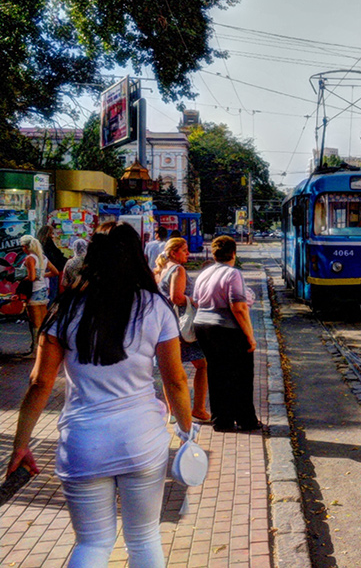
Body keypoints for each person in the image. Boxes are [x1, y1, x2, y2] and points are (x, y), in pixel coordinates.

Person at [7, 223, 193, 568]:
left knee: (93, 543)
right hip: (141, 441)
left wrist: (21, 443)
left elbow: (39, 383)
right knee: (144, 538)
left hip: (83, 444)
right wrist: (186, 430)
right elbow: (176, 380)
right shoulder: (154, 307)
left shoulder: (64, 310)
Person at [192, 235, 261, 433]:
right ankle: (246, 419)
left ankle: (222, 421)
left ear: (214, 253)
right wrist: (250, 336)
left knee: (217, 373)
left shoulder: (205, 273)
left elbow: (197, 301)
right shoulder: (233, 274)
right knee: (241, 374)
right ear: (233, 253)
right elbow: (238, 307)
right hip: (226, 329)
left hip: (203, 326)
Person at [156, 238, 211, 423]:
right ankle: (199, 409)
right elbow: (176, 297)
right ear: (173, 252)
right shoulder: (178, 270)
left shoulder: (161, 270)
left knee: (168, 369)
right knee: (203, 364)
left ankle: (172, 412)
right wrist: (194, 301)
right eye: (184, 250)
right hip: (180, 327)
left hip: (164, 324)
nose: (188, 253)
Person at [20, 235, 59, 348]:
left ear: (27, 247)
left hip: (34, 290)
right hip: (43, 290)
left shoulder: (30, 258)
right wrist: (42, 275)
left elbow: (31, 277)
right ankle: (47, 344)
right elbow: (55, 272)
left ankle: (37, 349)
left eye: (22, 246)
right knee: (44, 320)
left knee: (36, 322)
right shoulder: (42, 257)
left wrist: (22, 277)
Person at [37, 223, 67, 302]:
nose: (53, 235)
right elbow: (55, 257)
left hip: (43, 270)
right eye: (52, 233)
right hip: (52, 270)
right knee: (52, 292)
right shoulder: (49, 243)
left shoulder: (39, 244)